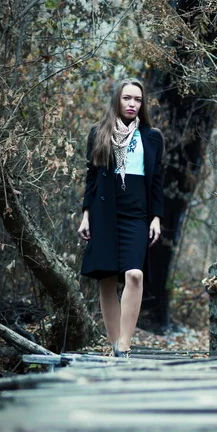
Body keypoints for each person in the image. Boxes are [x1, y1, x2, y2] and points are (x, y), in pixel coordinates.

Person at [78, 79, 164, 359]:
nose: (132, 104)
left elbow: (157, 182)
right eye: (127, 98)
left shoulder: (152, 137)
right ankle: (115, 347)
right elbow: (91, 177)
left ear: (142, 104)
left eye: (137, 100)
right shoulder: (99, 133)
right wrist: (86, 215)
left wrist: (156, 217)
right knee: (107, 279)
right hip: (104, 213)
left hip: (137, 214)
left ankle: (125, 344)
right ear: (117, 100)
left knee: (134, 275)